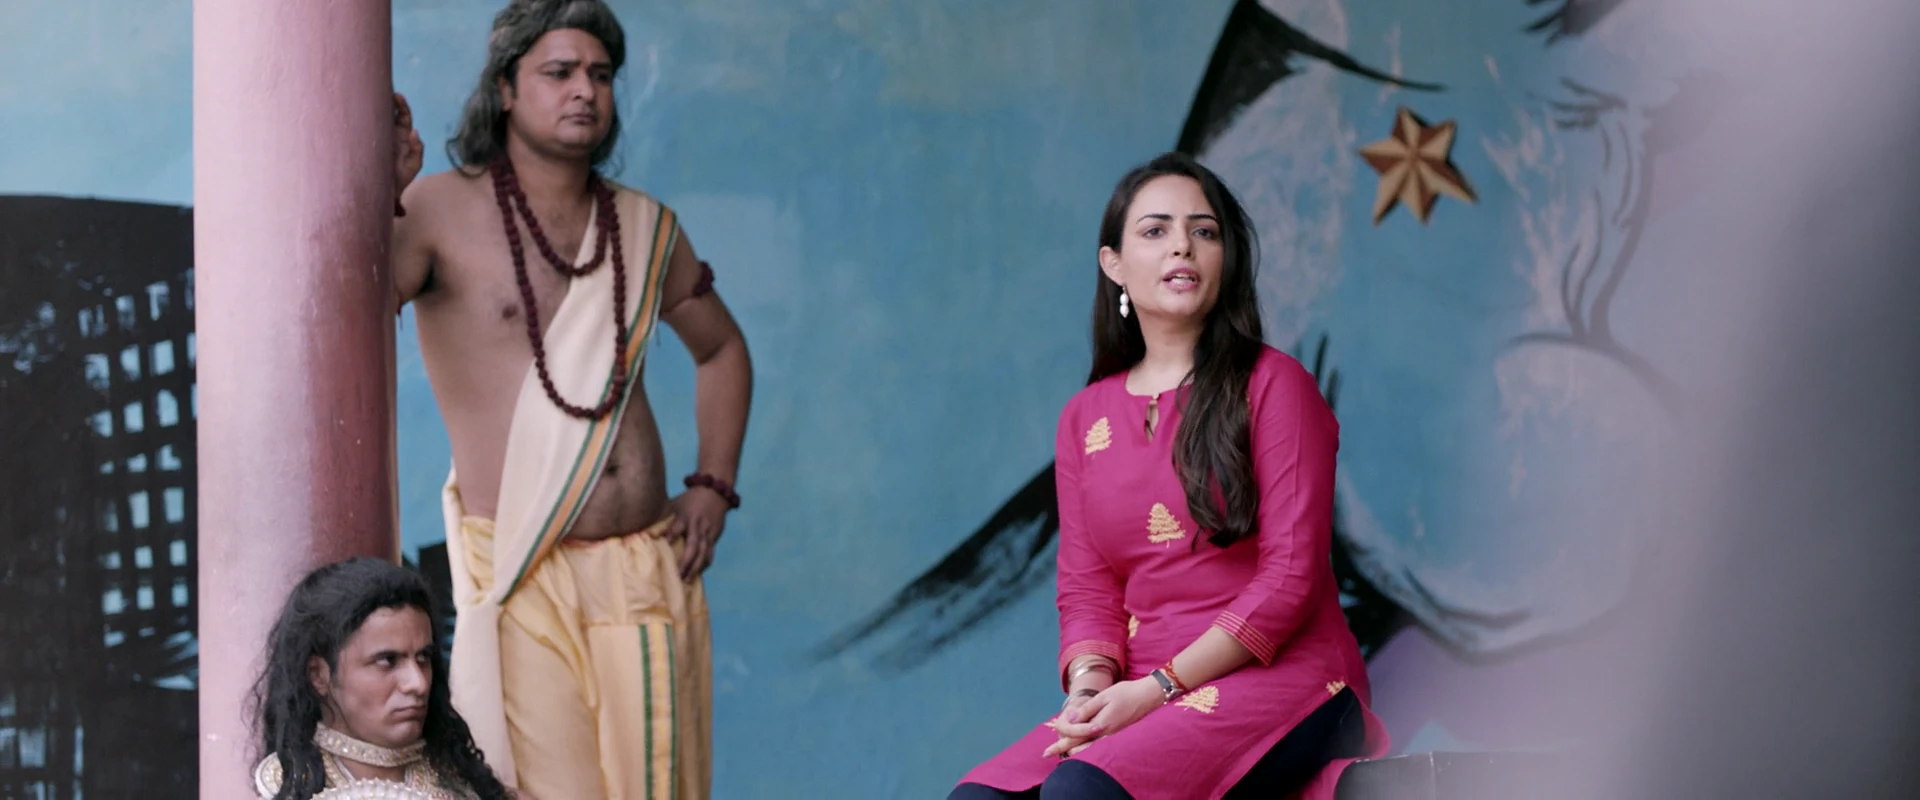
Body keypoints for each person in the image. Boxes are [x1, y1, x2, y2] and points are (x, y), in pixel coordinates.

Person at [387, 1, 753, 797]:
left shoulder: (645, 227)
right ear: (505, 88)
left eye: (601, 74)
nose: (585, 90)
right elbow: (346, 315)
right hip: (521, 568)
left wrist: (712, 485)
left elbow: (722, 349)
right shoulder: (434, 212)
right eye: (559, 72)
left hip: (646, 571)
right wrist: (381, 196)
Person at [949, 153, 1389, 800]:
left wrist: (1161, 688)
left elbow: (1291, 577)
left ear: (1225, 259)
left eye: (1204, 231)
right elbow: (1089, 587)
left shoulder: (1276, 386)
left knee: (1080, 793)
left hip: (1289, 677)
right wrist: (1090, 695)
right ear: (1114, 264)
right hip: (1139, 689)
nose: (1182, 244)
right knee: (980, 798)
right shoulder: (1085, 418)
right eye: (1155, 230)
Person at [247, 557, 519, 799]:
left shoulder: (472, 787)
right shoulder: (283, 792)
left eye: (423, 657)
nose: (418, 683)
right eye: (388, 661)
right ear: (318, 675)